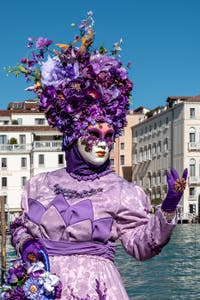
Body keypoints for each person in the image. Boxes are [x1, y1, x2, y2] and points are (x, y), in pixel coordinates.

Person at [10, 12, 187, 299]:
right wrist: (27, 246)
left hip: (96, 289)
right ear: (71, 135)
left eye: (108, 136)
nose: (102, 144)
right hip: (39, 286)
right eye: (93, 134)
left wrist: (168, 206)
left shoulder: (122, 191)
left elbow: (141, 247)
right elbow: (19, 227)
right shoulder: (39, 184)